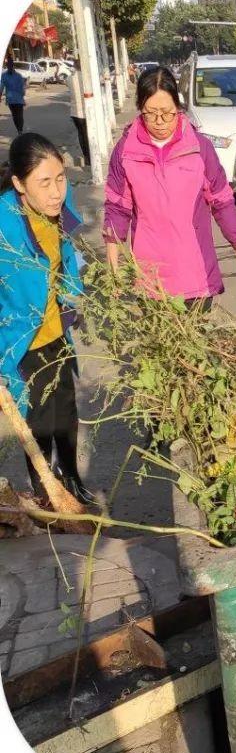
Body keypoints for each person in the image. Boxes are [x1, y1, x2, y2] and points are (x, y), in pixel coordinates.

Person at [103, 66, 236, 307]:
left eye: (167, 113)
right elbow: (117, 210)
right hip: (151, 280)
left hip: (196, 275)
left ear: (178, 107)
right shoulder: (126, 152)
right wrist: (113, 271)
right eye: (150, 113)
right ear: (140, 109)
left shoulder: (198, 147)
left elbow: (222, 202)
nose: (160, 121)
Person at [0, 133, 92, 504]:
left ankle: (71, 480)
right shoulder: (4, 225)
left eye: (60, 179)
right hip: (22, 339)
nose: (56, 192)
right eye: (44, 183)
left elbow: (68, 258)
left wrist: (75, 294)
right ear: (20, 184)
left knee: (66, 413)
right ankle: (44, 490)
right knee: (37, 421)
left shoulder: (58, 206)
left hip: (56, 331)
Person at [67, 59, 90, 166]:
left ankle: (86, 156)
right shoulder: (86, 78)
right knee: (87, 134)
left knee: (81, 134)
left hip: (75, 112)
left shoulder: (69, 79)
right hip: (86, 111)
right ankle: (89, 156)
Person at [1, 56, 28, 134]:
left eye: (10, 65)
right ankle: (20, 130)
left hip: (14, 100)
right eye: (9, 66)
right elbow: (2, 86)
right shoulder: (16, 76)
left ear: (11, 66)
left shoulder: (7, 76)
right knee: (17, 116)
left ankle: (19, 130)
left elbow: (2, 86)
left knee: (17, 116)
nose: (9, 67)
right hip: (15, 100)